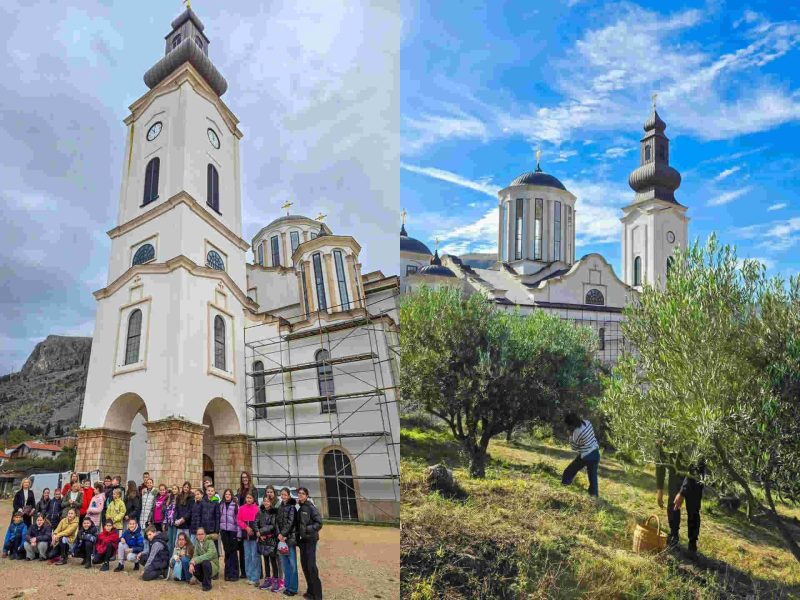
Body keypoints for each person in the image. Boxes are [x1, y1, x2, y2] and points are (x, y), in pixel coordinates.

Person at [656, 448, 706, 557]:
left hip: (694, 474)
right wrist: (659, 488)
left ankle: (692, 546)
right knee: (673, 504)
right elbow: (659, 461)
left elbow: (696, 464)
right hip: (676, 471)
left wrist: (683, 492)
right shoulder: (663, 439)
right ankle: (673, 536)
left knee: (693, 510)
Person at [561, 412, 601, 497]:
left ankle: (564, 488)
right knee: (593, 477)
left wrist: (570, 436)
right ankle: (594, 496)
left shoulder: (576, 433)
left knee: (569, 471)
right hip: (596, 453)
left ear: (571, 425)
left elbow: (574, 448)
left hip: (587, 456)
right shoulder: (587, 422)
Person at [296, 487, 323, 600]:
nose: (300, 495)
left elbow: (319, 523)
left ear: (307, 495)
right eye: (299, 493)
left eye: (303, 493)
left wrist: (308, 529)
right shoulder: (300, 508)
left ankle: (317, 595)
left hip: (311, 540)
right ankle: (310, 591)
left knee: (311, 566)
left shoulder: (311, 507)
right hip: (303, 541)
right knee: (305, 566)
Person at [258, 485, 282, 591]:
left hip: (271, 539)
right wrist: (258, 532)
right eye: (264, 501)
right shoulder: (261, 512)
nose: (266, 503)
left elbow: (273, 525)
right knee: (266, 560)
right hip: (263, 540)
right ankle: (267, 580)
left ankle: (276, 580)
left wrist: (262, 531)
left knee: (273, 560)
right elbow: (256, 523)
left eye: (268, 501)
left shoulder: (273, 512)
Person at [276, 487, 299, 596]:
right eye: (282, 495)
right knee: (285, 564)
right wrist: (279, 534)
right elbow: (277, 522)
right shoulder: (280, 507)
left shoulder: (292, 508)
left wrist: (284, 534)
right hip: (281, 539)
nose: (283, 496)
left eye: (285, 495)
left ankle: (293, 588)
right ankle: (287, 585)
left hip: (289, 539)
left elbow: (291, 522)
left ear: (289, 496)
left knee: (292, 564)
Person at [237, 471, 257, 578]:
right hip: (242, 518)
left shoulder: (253, 489)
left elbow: (256, 504)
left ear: (249, 478)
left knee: (254, 551)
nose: (244, 479)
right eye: (242, 477)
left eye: (246, 477)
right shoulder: (240, 490)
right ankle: (245, 572)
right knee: (244, 550)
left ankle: (257, 573)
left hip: (251, 519)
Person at [238, 491, 260, 586]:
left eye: (250, 498)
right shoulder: (242, 508)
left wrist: (254, 530)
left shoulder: (257, 509)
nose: (249, 500)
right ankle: (249, 575)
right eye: (247, 498)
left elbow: (258, 522)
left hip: (254, 535)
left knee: (254, 556)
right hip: (245, 535)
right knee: (247, 556)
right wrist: (245, 527)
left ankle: (255, 577)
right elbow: (238, 519)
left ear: (253, 499)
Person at [219, 488, 240, 582]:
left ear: (231, 496)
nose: (227, 496)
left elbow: (239, 520)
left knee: (233, 552)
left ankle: (234, 574)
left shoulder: (235, 505)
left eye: (229, 494)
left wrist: (239, 533)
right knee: (227, 552)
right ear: (224, 495)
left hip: (233, 531)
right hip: (224, 531)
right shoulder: (221, 505)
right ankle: (227, 573)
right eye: (226, 494)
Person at [189, 527, 219, 592]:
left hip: (212, 566)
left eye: (202, 534)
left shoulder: (210, 542)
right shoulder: (197, 543)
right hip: (203, 565)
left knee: (205, 562)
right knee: (195, 567)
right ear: (196, 536)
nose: (200, 536)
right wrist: (191, 563)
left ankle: (207, 585)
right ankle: (205, 579)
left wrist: (195, 560)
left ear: (205, 534)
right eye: (198, 534)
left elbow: (209, 555)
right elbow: (195, 555)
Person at [199, 484, 221, 552]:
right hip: (204, 529)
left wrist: (217, 530)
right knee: (204, 548)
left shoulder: (216, 502)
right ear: (206, 491)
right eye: (209, 490)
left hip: (213, 530)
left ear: (214, 492)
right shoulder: (202, 501)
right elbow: (200, 515)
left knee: (214, 549)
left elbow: (218, 516)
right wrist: (200, 528)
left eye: (212, 491)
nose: (210, 492)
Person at [165, 484, 179, 554]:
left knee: (174, 541)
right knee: (169, 541)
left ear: (178, 490)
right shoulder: (170, 498)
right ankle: (169, 556)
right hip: (169, 522)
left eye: (175, 489)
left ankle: (173, 557)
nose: (174, 490)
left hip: (175, 522)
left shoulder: (179, 499)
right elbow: (167, 511)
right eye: (173, 489)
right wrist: (165, 522)